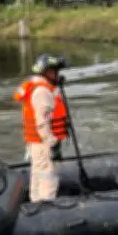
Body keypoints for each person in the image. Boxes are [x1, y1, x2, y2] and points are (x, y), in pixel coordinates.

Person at [13, 54, 69, 202]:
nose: (58, 75)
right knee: (48, 177)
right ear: (48, 72)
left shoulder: (36, 87)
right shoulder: (42, 92)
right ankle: (46, 207)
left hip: (36, 143)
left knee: (37, 175)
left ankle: (35, 202)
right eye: (56, 72)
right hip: (44, 143)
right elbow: (42, 122)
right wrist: (52, 143)